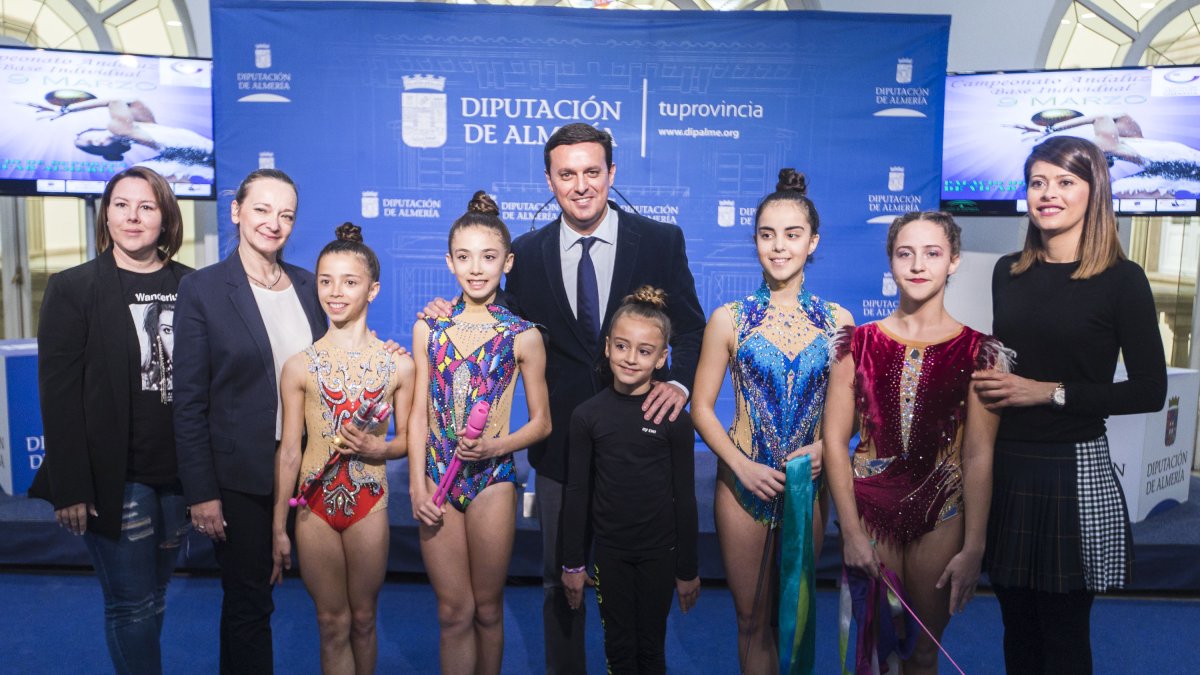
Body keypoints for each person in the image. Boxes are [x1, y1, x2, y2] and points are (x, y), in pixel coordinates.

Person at [423, 123, 705, 673]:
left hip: (642, 446)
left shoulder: (660, 241)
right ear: (549, 180)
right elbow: (494, 320)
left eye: (592, 172)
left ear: (612, 174)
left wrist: (679, 383)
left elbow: (691, 329)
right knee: (561, 582)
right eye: (567, 174)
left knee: (642, 582)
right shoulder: (526, 253)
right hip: (562, 452)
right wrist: (447, 309)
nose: (581, 185)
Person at [973, 136, 1167, 674]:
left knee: (1063, 637)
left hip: (1074, 469)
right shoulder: (1008, 271)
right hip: (1008, 467)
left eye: (1064, 182)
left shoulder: (1123, 280)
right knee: (1016, 629)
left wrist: (1049, 391)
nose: (1048, 193)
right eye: (1037, 182)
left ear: (1094, 191)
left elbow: (1150, 390)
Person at [823, 211, 1004, 674]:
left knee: (924, 653)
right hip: (871, 514)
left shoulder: (980, 353)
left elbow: (978, 455)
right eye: (905, 253)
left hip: (941, 514)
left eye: (932, 253)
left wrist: (975, 547)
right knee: (878, 650)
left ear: (954, 260)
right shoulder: (856, 344)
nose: (918, 265)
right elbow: (834, 442)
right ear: (891, 260)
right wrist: (850, 533)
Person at [28, 166, 192, 675]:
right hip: (114, 480)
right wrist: (72, 486)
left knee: (156, 595)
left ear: (165, 218)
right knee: (131, 605)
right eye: (121, 205)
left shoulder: (193, 286)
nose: (132, 217)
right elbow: (59, 396)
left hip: (180, 476)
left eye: (146, 206)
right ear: (106, 214)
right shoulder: (73, 288)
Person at [691, 168, 853, 673]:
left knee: (795, 617)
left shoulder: (839, 321)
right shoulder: (729, 318)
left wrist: (826, 450)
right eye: (767, 235)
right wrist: (742, 467)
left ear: (813, 242)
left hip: (810, 485)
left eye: (792, 234)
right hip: (743, 484)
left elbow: (849, 414)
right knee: (750, 619)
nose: (779, 246)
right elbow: (700, 408)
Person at [174, 168, 327, 674]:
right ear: (236, 211)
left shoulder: (309, 286)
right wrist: (202, 492)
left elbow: (340, 355)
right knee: (250, 602)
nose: (273, 223)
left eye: (286, 215)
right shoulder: (202, 289)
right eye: (262, 209)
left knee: (328, 601)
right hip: (240, 480)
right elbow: (188, 401)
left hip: (309, 468)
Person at [409, 192, 551, 675]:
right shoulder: (429, 328)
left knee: (488, 610)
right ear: (449, 261)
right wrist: (417, 485)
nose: (476, 269)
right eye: (464, 257)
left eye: (488, 257)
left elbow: (542, 422)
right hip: (436, 479)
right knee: (453, 612)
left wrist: (495, 446)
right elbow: (417, 415)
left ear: (506, 262)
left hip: (493, 480)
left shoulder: (523, 334)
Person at [270, 223, 414, 674]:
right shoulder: (298, 366)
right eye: (326, 281)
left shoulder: (399, 365)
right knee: (331, 623)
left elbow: (408, 440)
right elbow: (289, 451)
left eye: (349, 282)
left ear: (373, 290)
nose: (335, 292)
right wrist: (278, 526)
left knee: (364, 620)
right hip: (312, 507)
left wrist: (378, 447)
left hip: (369, 504)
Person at [560, 286, 700, 675]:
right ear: (607, 347)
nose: (631, 358)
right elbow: (577, 493)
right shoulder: (587, 416)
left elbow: (685, 497)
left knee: (651, 648)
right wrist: (572, 563)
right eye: (622, 346)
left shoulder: (675, 419)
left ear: (662, 358)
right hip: (610, 555)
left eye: (644, 350)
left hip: (660, 554)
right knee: (619, 649)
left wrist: (687, 568)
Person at [28, 98, 214, 183]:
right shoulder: (123, 130)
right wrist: (66, 110)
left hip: (213, 151)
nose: (98, 143)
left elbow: (128, 102)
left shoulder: (144, 126)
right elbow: (114, 102)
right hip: (210, 164)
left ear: (97, 130)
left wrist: (66, 109)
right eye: (93, 148)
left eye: (92, 140)